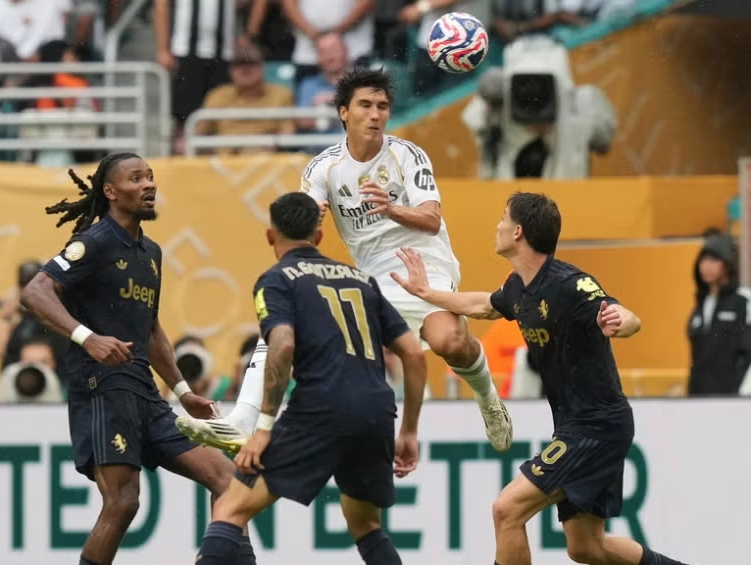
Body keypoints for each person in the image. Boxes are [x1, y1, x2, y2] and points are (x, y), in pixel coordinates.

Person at [180, 67, 513, 455]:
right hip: (371, 276)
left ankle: (488, 399)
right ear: (343, 112)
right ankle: (240, 420)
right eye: (365, 105)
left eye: (382, 106)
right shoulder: (323, 167)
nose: (375, 114)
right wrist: (312, 219)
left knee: (450, 342)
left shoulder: (407, 155)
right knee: (288, 318)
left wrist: (391, 208)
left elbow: (431, 219)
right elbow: (302, 225)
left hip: (423, 264)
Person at [390, 192, 691, 565]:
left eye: (503, 218)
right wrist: (426, 293)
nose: (497, 225)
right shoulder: (518, 287)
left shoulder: (569, 284)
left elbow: (625, 315)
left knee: (507, 509)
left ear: (517, 232)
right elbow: (483, 305)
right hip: (581, 426)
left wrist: (620, 321)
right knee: (586, 547)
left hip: (596, 427)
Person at [19, 152, 236, 565]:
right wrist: (88, 338)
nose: (149, 184)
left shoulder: (151, 252)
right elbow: (35, 292)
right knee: (123, 502)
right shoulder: (94, 241)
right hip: (103, 385)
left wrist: (183, 391)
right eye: (136, 178)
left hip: (146, 394)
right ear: (111, 191)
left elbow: (151, 330)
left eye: (150, 176)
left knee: (229, 480)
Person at [188, 192, 427, 565]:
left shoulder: (276, 280)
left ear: (270, 235)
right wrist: (409, 430)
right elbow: (414, 353)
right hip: (376, 412)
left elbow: (282, 345)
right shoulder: (361, 280)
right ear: (318, 235)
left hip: (321, 408)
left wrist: (263, 429)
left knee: (230, 508)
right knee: (365, 523)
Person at [686, 233, 751, 396]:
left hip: (734, 397)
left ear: (728, 264)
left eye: (714, 260)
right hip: (699, 397)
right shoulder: (701, 305)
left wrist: (743, 390)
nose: (706, 266)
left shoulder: (744, 300)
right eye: (703, 259)